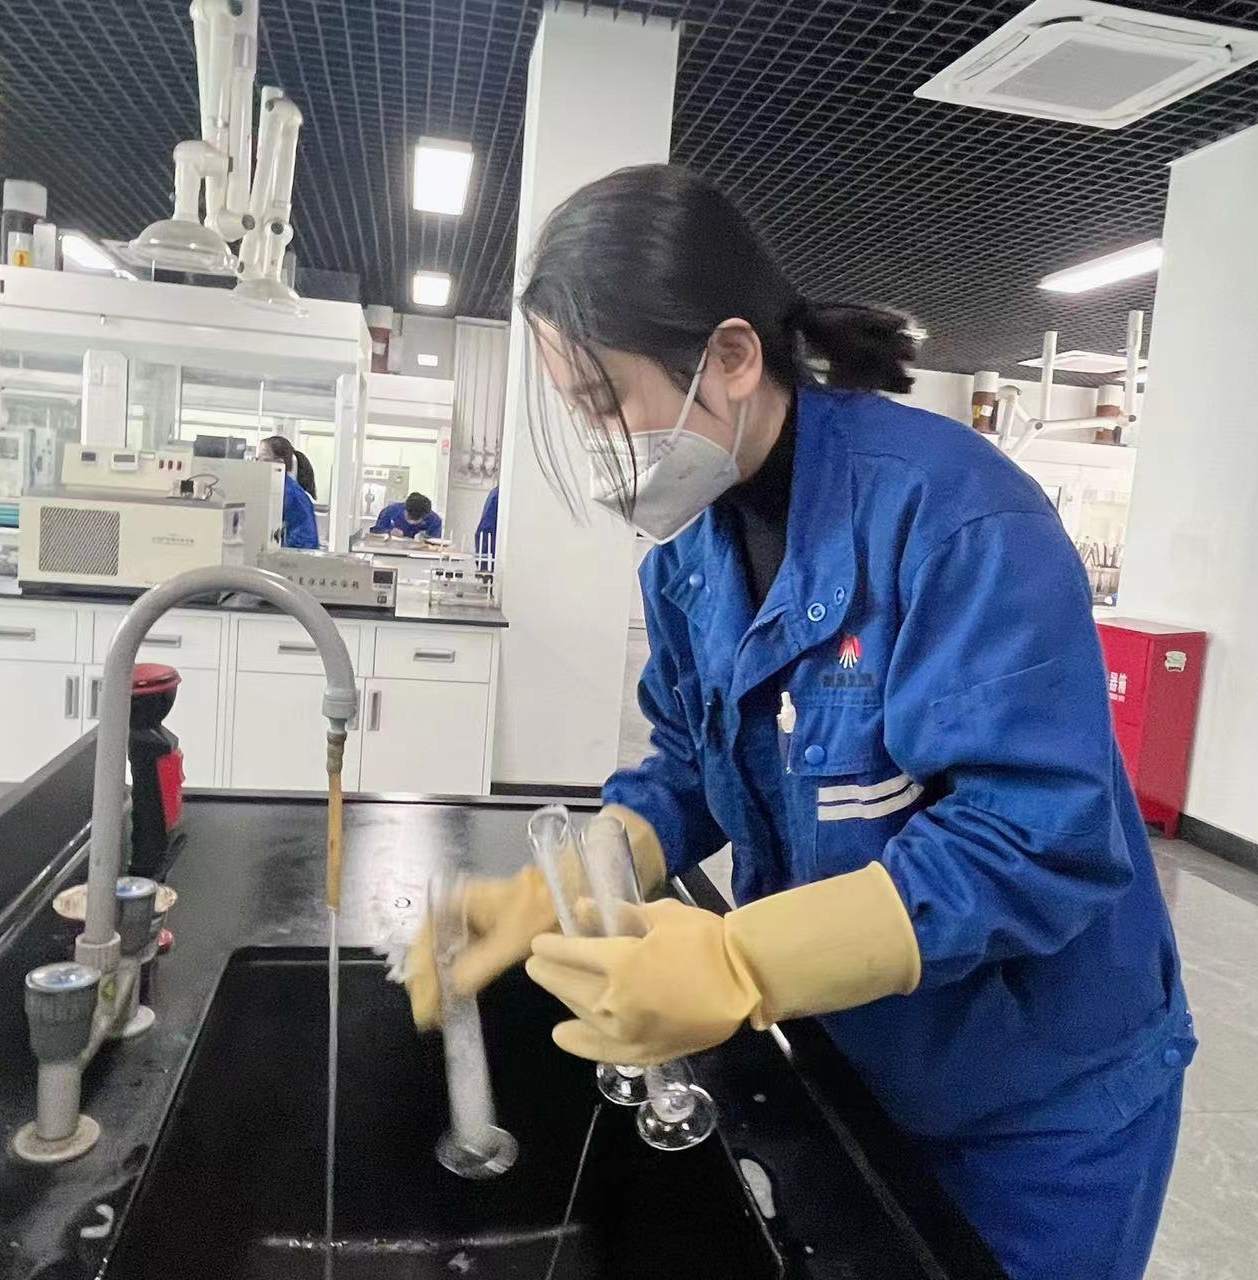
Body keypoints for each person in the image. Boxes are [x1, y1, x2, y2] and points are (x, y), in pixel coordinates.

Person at [404, 165, 1192, 1280]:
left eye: (606, 400)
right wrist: (573, 877)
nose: (599, 442)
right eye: (578, 410)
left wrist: (741, 956)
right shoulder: (689, 550)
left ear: (731, 357)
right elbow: (694, 763)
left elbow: (1035, 841)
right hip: (856, 1052)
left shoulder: (955, 518)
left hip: (1035, 1103)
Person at [259, 435, 319, 549]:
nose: (258, 463)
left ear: (279, 463)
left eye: (263, 459)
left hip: (296, 554)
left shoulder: (289, 493)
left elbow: (304, 540)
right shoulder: (281, 488)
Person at [372, 491, 443, 540]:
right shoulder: (390, 511)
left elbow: (435, 543)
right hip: (390, 550)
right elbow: (375, 532)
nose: (412, 522)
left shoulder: (435, 520)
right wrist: (389, 532)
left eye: (417, 520)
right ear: (405, 508)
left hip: (419, 554)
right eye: (409, 517)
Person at [474, 486, 499, 566]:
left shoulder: (496, 494)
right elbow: (486, 528)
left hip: (489, 554)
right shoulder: (498, 495)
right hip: (491, 555)